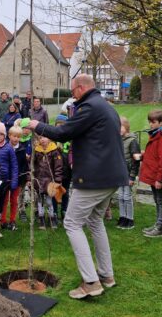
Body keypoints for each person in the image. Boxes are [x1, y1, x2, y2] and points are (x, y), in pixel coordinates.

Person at [28, 74, 125, 299]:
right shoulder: (105, 106)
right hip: (110, 177)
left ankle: (91, 282)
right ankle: (106, 275)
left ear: (81, 88)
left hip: (94, 179)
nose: (72, 94)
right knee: (95, 221)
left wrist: (36, 125)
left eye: (73, 90)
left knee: (72, 223)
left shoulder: (90, 107)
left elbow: (63, 133)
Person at [140, 109, 162, 238]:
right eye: (150, 122)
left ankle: (160, 226)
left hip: (158, 177)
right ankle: (157, 224)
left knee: (161, 201)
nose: (151, 125)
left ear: (161, 122)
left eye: (153, 122)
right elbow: (154, 156)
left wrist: (159, 179)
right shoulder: (156, 135)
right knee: (157, 200)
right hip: (153, 175)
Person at [0, 119, 18, 237]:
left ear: (5, 135)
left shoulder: (8, 147)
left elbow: (14, 165)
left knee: (0, 203)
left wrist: (14, 181)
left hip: (5, 181)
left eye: (1, 134)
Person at [32, 134, 63, 229]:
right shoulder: (36, 151)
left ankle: (52, 218)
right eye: (40, 138)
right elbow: (32, 166)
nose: (42, 139)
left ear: (49, 138)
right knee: (40, 201)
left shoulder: (54, 151)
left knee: (49, 201)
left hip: (50, 181)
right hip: (39, 180)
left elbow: (58, 166)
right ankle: (41, 219)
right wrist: (31, 178)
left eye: (44, 137)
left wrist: (57, 180)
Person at [2, 125, 28, 231]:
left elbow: (24, 165)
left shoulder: (22, 149)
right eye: (14, 136)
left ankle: (12, 220)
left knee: (14, 200)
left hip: (17, 179)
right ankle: (2, 221)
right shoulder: (4, 147)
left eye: (18, 137)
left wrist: (23, 178)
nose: (16, 139)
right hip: (5, 179)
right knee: (4, 200)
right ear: (9, 136)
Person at [118, 117, 141, 230]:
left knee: (127, 197)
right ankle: (122, 217)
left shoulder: (132, 141)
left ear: (126, 127)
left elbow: (136, 161)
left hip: (128, 174)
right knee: (121, 196)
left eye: (120, 126)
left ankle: (129, 219)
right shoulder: (118, 140)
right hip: (120, 173)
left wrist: (132, 176)